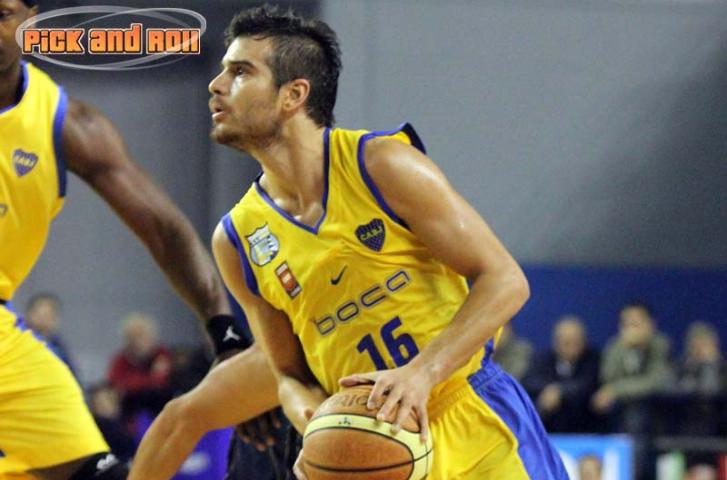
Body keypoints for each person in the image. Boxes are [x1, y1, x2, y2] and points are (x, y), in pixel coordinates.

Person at [206, 6, 567, 479]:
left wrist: (421, 374)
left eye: (240, 72)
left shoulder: (381, 164)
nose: (216, 85)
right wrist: (316, 422)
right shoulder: (237, 240)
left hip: (470, 418)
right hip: (370, 445)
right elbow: (289, 374)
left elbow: (506, 281)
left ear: (294, 94)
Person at [0, 1, 277, 478]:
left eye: (1, 13)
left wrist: (225, 336)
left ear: (31, 20)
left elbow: (166, 231)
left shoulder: (68, 125)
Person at [522, 315, 600, 433]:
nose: (571, 347)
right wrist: (549, 390)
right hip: (550, 428)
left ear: (584, 341)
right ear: (556, 342)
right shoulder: (544, 359)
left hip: (586, 427)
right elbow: (529, 380)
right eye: (566, 343)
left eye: (576, 342)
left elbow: (587, 383)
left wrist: (559, 391)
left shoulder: (593, 360)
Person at [23, 292, 77, 375]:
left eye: (48, 315)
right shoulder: (19, 341)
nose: (43, 319)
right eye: (39, 314)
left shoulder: (58, 347)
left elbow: (71, 375)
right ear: (28, 314)